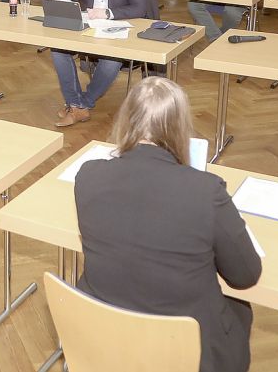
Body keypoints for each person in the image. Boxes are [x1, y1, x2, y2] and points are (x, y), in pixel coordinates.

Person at [75, 76, 262, 372]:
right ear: (180, 129)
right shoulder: (206, 191)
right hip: (186, 354)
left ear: (126, 122)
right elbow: (245, 277)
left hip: (107, 337)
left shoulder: (87, 175)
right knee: (239, 309)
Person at [48, 0, 149, 126]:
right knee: (57, 48)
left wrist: (107, 13)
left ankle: (80, 104)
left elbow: (140, 8)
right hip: (89, 23)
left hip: (116, 26)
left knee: (111, 59)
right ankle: (78, 105)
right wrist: (61, 7)